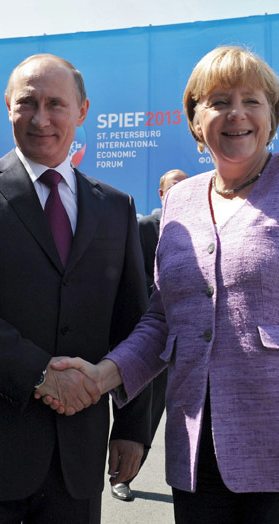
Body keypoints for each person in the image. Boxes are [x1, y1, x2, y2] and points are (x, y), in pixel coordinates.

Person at [48, 45, 279, 524]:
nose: (237, 114)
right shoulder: (181, 199)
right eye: (219, 101)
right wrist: (102, 377)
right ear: (194, 118)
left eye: (252, 100)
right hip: (198, 455)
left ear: (273, 115)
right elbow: (165, 318)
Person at [0, 53, 151, 524]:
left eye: (56, 104)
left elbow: (134, 321)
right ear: (8, 105)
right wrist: (40, 374)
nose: (41, 119)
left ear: (82, 111)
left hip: (76, 459)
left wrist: (132, 428)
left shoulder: (116, 207)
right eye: (27, 103)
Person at [111, 168, 188, 502]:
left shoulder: (201, 231)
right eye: (173, 188)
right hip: (151, 338)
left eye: (186, 188)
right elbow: (132, 280)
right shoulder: (144, 228)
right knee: (141, 413)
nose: (180, 193)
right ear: (161, 193)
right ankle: (122, 477)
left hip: (189, 342)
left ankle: (194, 486)